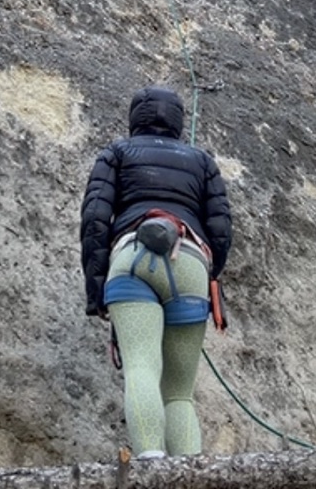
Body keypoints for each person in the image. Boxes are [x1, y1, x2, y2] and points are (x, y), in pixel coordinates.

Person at [80, 84, 232, 459]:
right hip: (191, 262)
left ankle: (150, 465)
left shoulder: (116, 152)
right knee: (179, 392)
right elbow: (222, 228)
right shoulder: (202, 161)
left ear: (135, 119)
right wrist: (210, 270)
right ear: (179, 121)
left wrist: (95, 289)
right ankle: (192, 480)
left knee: (141, 369)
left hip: (133, 257)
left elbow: (95, 221)